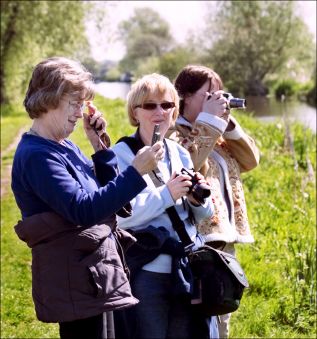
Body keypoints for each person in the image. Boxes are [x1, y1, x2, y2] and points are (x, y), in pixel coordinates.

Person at [11, 57, 164, 339]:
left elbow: (107, 200)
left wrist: (99, 146)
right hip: (74, 283)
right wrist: (136, 171)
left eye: (82, 104)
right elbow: (83, 210)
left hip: (93, 275)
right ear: (49, 99)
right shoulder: (37, 156)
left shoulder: (63, 145)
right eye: (74, 103)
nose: (80, 113)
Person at [111, 73, 218, 339]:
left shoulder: (179, 152)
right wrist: (167, 194)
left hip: (187, 267)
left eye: (167, 105)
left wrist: (198, 200)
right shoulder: (121, 155)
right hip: (147, 271)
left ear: (175, 111)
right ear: (135, 113)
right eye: (150, 105)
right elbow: (123, 216)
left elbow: (203, 214)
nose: (159, 111)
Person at [167, 64, 260, 338]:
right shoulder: (176, 134)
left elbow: (251, 161)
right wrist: (208, 121)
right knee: (200, 319)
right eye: (210, 95)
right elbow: (186, 164)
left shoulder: (218, 135)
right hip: (196, 242)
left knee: (222, 317)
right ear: (184, 96)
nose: (219, 100)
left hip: (223, 243)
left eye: (221, 94)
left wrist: (227, 123)